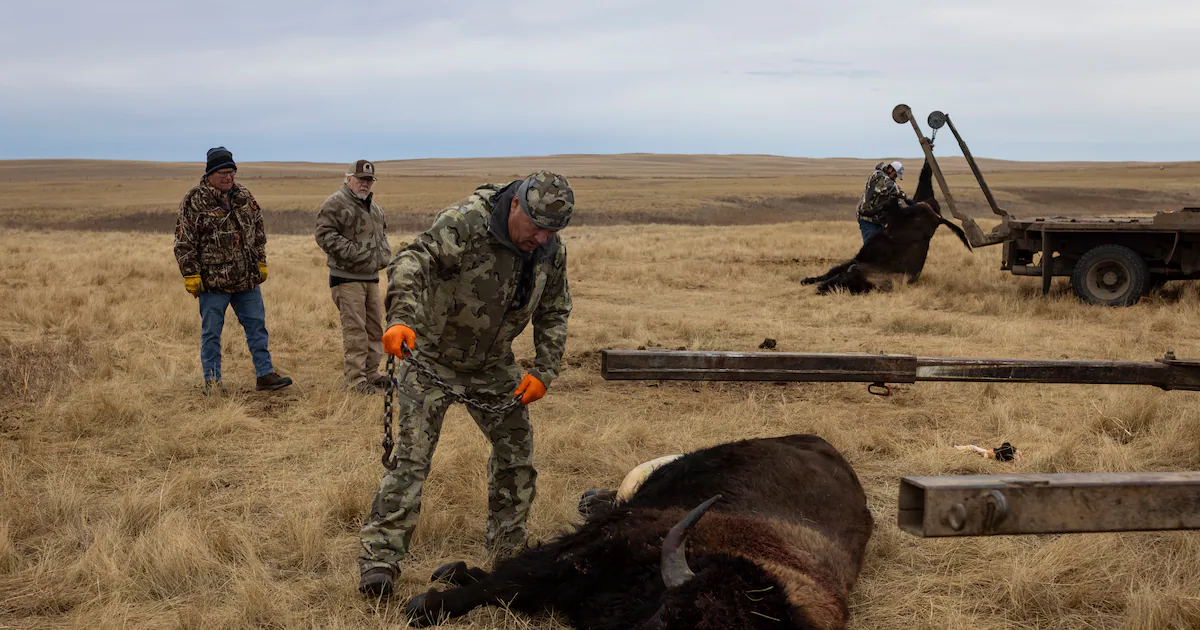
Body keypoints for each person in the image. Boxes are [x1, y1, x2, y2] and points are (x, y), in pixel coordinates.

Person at [357, 170, 574, 597]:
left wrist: (544, 371)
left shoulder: (549, 249)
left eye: (552, 231)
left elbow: (555, 308)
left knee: (517, 456)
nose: (542, 238)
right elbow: (411, 260)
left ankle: (507, 549)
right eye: (536, 227)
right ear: (516, 206)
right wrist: (400, 318)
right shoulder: (466, 222)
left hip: (494, 367)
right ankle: (381, 559)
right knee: (412, 460)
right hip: (430, 358)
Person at [173, 146, 293, 395]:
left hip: (246, 280)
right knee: (212, 334)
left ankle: (265, 374)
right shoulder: (194, 200)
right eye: (223, 173)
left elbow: (258, 231)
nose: (229, 177)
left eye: (232, 172)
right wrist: (191, 274)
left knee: (257, 328)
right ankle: (213, 383)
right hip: (213, 283)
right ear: (210, 175)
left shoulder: (244, 195)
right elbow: (184, 242)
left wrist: (260, 262)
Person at [315, 159, 393, 395]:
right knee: (355, 330)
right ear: (348, 179)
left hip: (370, 277)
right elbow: (324, 235)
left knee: (374, 328)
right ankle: (356, 380)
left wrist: (383, 255)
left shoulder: (373, 207)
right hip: (347, 278)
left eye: (368, 180)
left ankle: (372, 373)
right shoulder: (336, 204)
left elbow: (382, 235)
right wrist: (357, 254)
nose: (365, 184)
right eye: (360, 179)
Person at [855, 160, 910, 244]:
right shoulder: (878, 175)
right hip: (867, 218)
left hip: (878, 220)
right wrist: (906, 197)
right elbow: (891, 187)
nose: (894, 178)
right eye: (895, 175)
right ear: (890, 169)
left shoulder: (890, 182)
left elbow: (895, 199)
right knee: (871, 246)